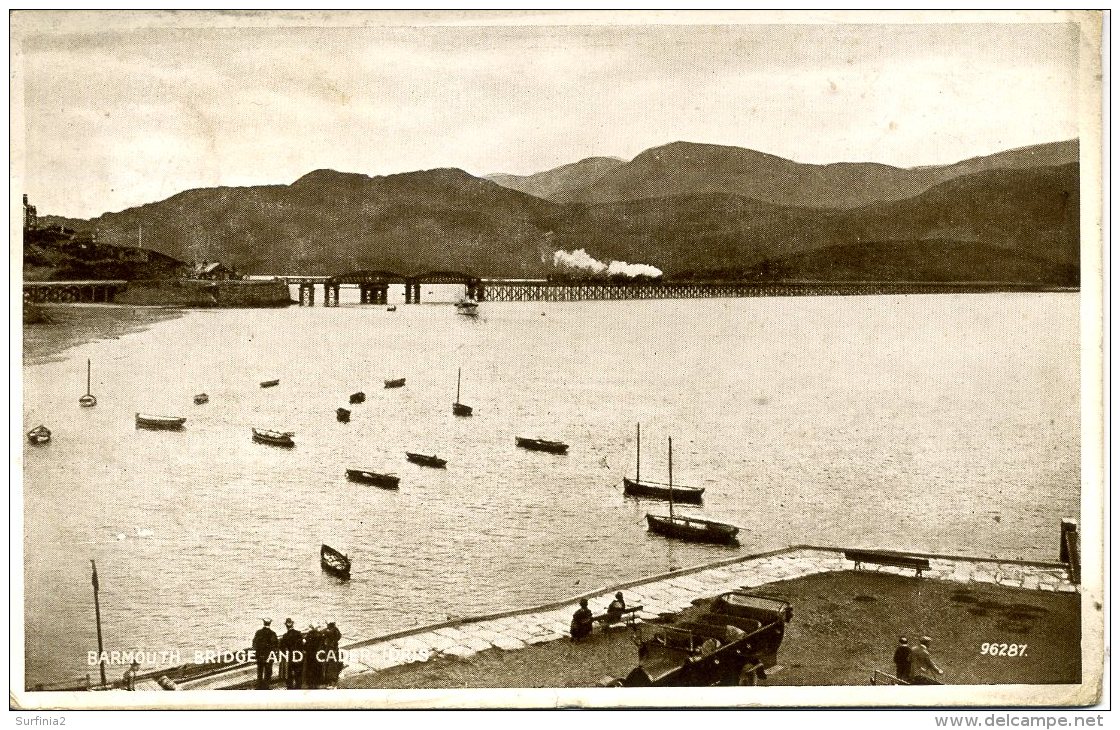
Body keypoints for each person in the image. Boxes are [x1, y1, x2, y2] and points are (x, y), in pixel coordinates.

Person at [252, 618, 279, 689]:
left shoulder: (258, 632)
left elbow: (254, 644)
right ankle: (266, 686)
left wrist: (257, 652)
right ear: (270, 623)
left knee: (260, 671)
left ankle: (259, 686)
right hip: (269, 656)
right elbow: (276, 645)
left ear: (264, 623)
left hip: (260, 655)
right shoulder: (272, 633)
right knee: (268, 671)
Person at [279, 618, 305, 690]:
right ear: (293, 624)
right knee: (298, 672)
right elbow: (302, 645)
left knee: (289, 672)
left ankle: (290, 687)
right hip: (298, 655)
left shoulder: (285, 636)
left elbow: (282, 647)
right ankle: (298, 687)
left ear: (286, 626)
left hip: (290, 656)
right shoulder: (298, 633)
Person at [303, 623, 323, 689]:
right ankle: (317, 682)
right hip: (318, 654)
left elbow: (306, 645)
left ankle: (310, 683)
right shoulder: (320, 635)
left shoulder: (309, 634)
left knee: (310, 668)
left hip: (310, 654)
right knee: (317, 668)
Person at [322, 621, 342, 686]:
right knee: (333, 664)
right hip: (335, 649)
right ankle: (333, 680)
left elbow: (324, 632)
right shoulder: (336, 631)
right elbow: (339, 636)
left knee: (328, 664)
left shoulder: (329, 631)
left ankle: (329, 681)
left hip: (330, 649)